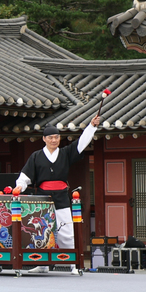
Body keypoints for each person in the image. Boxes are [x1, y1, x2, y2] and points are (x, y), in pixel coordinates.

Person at [14, 113, 101, 268]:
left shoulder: (65, 153)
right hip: (43, 199)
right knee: (41, 232)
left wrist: (91, 126)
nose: (54, 140)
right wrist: (20, 185)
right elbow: (26, 175)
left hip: (62, 197)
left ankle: (73, 265)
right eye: (50, 138)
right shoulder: (36, 156)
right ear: (44, 139)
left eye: (56, 137)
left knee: (67, 232)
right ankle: (42, 265)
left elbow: (81, 143)